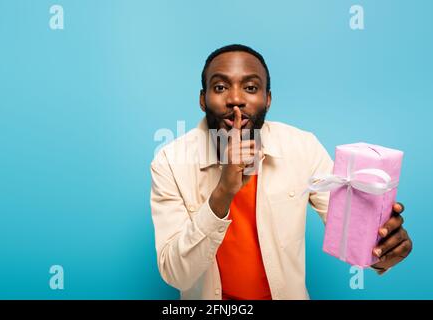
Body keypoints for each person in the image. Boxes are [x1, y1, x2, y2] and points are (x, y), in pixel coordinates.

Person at [150, 44, 412, 300]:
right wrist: (223, 193)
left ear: (268, 99)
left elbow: (352, 231)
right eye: (220, 87)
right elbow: (176, 275)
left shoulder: (303, 147)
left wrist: (382, 251)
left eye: (251, 88)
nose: (236, 99)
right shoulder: (170, 161)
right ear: (202, 99)